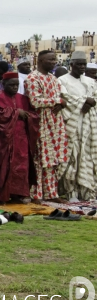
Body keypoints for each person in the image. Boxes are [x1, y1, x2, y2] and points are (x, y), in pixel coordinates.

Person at [0, 73, 39, 203]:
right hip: (4, 138)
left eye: (16, 85)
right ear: (4, 84)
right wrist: (16, 112)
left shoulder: (23, 99)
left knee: (22, 166)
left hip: (21, 138)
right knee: (4, 166)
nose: (14, 87)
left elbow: (34, 116)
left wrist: (28, 116)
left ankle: (19, 194)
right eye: (11, 85)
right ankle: (2, 195)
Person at [25, 50, 68, 203]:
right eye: (51, 60)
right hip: (40, 122)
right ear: (41, 61)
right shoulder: (32, 78)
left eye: (55, 59)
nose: (54, 62)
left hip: (55, 123)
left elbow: (61, 99)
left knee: (52, 160)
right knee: (38, 159)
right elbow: (35, 101)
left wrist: (60, 103)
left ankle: (52, 193)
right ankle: (36, 194)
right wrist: (58, 101)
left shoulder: (54, 79)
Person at [57, 51, 97, 201]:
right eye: (79, 64)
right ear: (71, 65)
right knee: (71, 158)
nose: (82, 67)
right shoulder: (62, 80)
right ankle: (70, 192)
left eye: (84, 65)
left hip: (88, 125)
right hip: (71, 124)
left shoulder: (89, 81)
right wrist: (84, 102)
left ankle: (86, 192)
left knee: (86, 158)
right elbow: (64, 98)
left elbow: (95, 97)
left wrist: (90, 102)